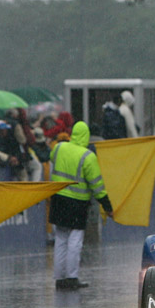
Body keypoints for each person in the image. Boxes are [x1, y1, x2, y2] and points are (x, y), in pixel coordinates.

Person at [49, 121, 114, 290]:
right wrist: (107, 206)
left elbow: (51, 158)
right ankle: (72, 277)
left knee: (61, 240)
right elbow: (97, 187)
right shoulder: (87, 156)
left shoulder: (59, 148)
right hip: (77, 203)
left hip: (58, 199)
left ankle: (59, 278)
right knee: (75, 241)